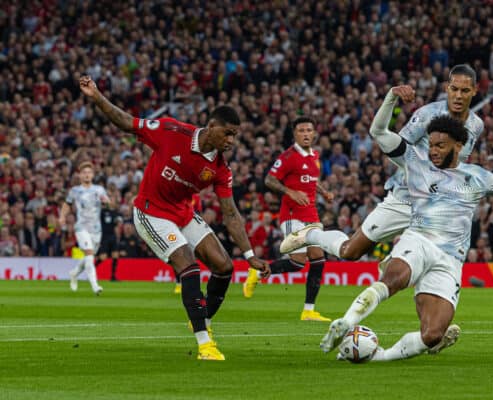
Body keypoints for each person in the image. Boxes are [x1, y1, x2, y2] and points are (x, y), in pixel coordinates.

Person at [291, 113, 493, 362]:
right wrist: (392, 99)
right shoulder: (415, 163)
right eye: (431, 144)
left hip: (450, 259)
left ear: (459, 145)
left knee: (432, 335)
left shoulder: (478, 176)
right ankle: (347, 321)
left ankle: (379, 356)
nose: (433, 150)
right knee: (394, 277)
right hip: (418, 239)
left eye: (440, 145)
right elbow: (379, 131)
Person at [79, 75, 270, 361]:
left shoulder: (220, 168)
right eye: (227, 133)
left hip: (182, 213)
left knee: (224, 266)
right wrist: (96, 96)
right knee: (189, 268)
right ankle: (205, 345)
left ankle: (202, 319)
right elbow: (126, 122)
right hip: (150, 212)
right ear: (212, 126)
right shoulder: (171, 130)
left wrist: (250, 253)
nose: (231, 141)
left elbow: (230, 213)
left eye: (235, 136)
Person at [287, 65, 484, 261]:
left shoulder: (476, 125)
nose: (458, 96)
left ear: (475, 91)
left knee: (437, 260)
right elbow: (401, 150)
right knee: (350, 252)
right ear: (446, 88)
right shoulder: (428, 115)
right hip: (404, 200)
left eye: (465, 91)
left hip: (435, 207)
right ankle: (310, 235)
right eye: (454, 89)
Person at [242, 116, 334, 321]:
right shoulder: (287, 157)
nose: (306, 134)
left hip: (311, 213)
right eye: (301, 130)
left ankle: (308, 311)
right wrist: (290, 192)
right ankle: (257, 273)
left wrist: (324, 191)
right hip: (293, 214)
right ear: (295, 134)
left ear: (314, 133)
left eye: (309, 130)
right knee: (299, 262)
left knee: (318, 259)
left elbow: (311, 180)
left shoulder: (314, 156)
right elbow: (269, 179)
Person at [59, 161, 110, 295]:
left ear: (93, 175)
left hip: (96, 229)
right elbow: (67, 204)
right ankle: (95, 286)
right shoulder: (75, 190)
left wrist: (107, 202)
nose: (87, 175)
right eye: (84, 173)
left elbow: (109, 204)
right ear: (80, 175)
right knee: (89, 254)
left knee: (90, 256)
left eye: (89, 172)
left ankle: (74, 273)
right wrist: (62, 217)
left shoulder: (99, 189)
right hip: (81, 227)